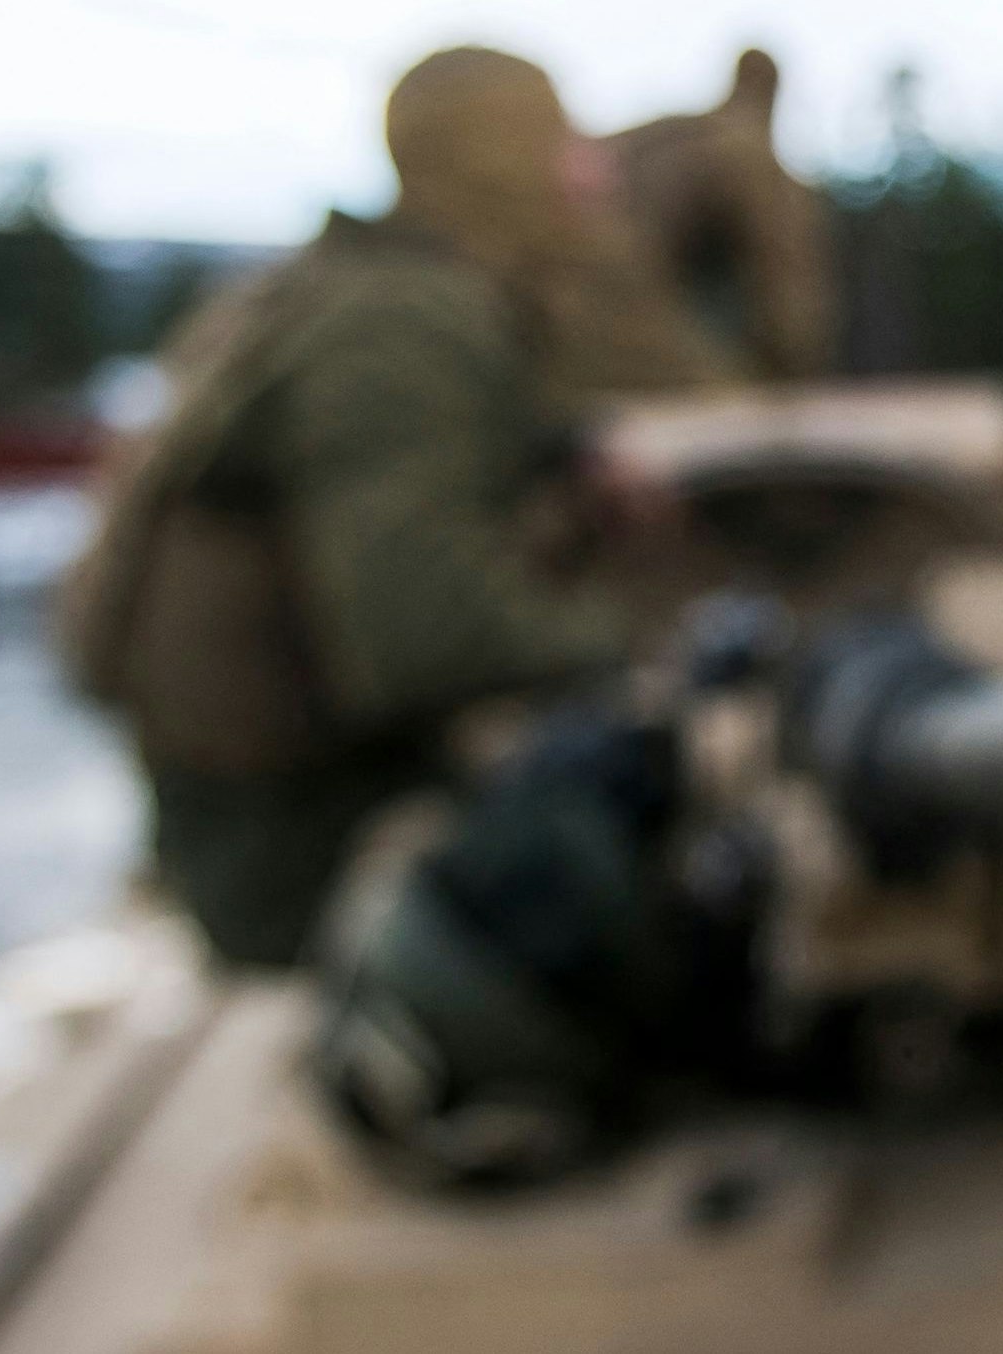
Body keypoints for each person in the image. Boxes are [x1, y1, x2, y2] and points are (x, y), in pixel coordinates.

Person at [62, 47, 647, 966]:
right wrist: (637, 641)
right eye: (564, 141)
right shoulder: (405, 323)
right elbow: (426, 637)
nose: (596, 169)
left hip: (264, 810)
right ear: (497, 156)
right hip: (289, 862)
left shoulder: (367, 288)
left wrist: (558, 455)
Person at [605, 48, 837, 383]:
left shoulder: (673, 133)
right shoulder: (754, 159)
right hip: (622, 303)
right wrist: (795, 375)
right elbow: (791, 297)